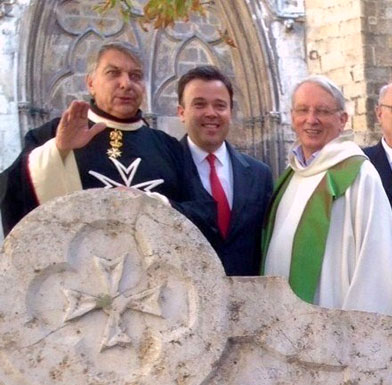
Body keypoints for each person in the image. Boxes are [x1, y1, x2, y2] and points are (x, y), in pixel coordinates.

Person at [1, 42, 198, 234]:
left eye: (135, 76)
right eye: (113, 73)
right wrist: (57, 152)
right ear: (91, 83)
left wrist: (155, 203)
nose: (126, 84)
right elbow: (12, 193)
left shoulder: (168, 146)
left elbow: (202, 210)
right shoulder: (56, 132)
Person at [261, 76, 392, 317]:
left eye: (323, 111)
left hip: (336, 325)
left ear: (342, 120)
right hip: (282, 322)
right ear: (292, 117)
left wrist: (362, 335)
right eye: (303, 110)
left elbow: (376, 262)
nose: (311, 120)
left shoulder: (358, 175)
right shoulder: (290, 176)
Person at [177, 65, 273, 277]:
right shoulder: (166, 170)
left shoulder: (259, 174)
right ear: (182, 112)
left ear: (230, 112)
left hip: (247, 303)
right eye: (199, 104)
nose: (211, 113)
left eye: (220, 105)